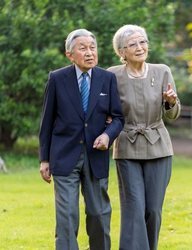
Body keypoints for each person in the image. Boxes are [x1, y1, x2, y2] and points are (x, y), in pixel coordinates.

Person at [39, 28, 124, 250]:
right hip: (64, 155)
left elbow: (118, 118)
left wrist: (108, 135)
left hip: (96, 155)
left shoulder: (107, 78)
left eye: (92, 47)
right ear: (70, 54)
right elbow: (46, 121)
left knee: (98, 213)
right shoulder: (57, 79)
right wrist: (44, 159)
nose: (89, 53)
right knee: (67, 215)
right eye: (83, 48)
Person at [108, 24, 181, 250]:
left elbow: (174, 113)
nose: (140, 47)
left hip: (159, 146)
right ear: (122, 51)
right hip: (127, 146)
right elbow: (104, 108)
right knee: (133, 207)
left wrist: (170, 102)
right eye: (133, 44)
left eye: (143, 42)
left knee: (153, 210)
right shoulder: (112, 75)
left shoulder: (162, 71)